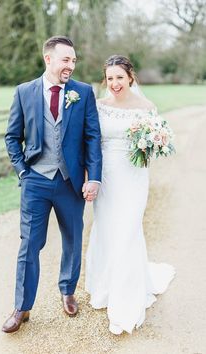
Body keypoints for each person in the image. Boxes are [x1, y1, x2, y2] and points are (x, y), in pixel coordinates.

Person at [2, 36, 102, 333]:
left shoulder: (83, 93)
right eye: (65, 59)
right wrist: (22, 171)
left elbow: (92, 137)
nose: (70, 65)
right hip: (35, 180)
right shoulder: (24, 92)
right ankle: (22, 307)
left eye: (73, 60)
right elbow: (11, 136)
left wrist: (93, 176)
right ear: (49, 59)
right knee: (29, 244)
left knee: (72, 238)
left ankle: (67, 291)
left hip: (70, 181)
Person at [85, 55, 175, 335]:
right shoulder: (99, 107)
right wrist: (91, 176)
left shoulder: (147, 108)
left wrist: (152, 144)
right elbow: (91, 144)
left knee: (128, 231)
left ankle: (125, 302)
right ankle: (105, 287)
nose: (114, 83)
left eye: (119, 78)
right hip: (107, 178)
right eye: (109, 78)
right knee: (108, 230)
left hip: (134, 178)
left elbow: (157, 144)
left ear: (130, 78)